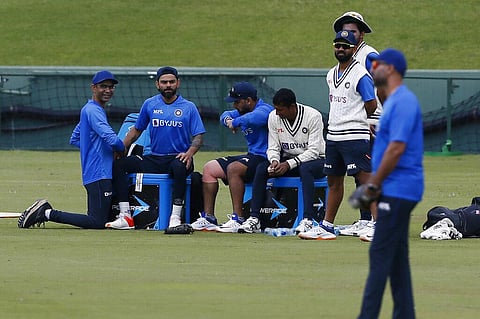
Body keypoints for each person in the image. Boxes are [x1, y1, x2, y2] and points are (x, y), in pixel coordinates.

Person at [354, 48, 424, 319]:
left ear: (391, 68)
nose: (373, 68)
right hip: (395, 188)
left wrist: (372, 186)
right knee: (396, 259)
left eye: (378, 64)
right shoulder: (393, 102)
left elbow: (396, 149)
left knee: (379, 255)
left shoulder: (403, 101)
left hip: (399, 189)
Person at [18, 71, 125, 229]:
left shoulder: (88, 109)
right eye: (103, 86)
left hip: (94, 172)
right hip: (100, 173)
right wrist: (120, 150)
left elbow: (74, 138)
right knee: (97, 222)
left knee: (101, 217)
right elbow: (112, 139)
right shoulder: (93, 111)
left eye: (111, 87)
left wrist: (96, 150)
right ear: (93, 88)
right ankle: (46, 213)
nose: (108, 90)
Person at [298, 30, 377, 240]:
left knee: (366, 180)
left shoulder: (361, 74)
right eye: (337, 45)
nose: (341, 49)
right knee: (334, 181)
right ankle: (326, 226)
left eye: (345, 46)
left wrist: (358, 120)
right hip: (333, 135)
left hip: (354, 135)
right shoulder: (330, 74)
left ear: (353, 49)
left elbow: (372, 104)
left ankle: (378, 225)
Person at [107, 66, 206, 230]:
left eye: (171, 82)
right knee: (119, 165)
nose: (168, 85)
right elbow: (136, 130)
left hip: (177, 157)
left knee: (179, 167)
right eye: (164, 82)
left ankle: (175, 217)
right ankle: (125, 216)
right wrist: (121, 148)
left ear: (178, 83)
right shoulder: (150, 104)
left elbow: (199, 136)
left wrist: (189, 153)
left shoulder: (189, 107)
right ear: (157, 84)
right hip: (155, 158)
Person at [238, 88, 326, 234]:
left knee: (306, 169)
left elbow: (313, 151)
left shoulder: (313, 116)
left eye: (281, 110)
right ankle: (254, 219)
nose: (278, 113)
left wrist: (288, 164)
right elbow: (273, 147)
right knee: (262, 168)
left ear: (292, 107)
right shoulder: (274, 117)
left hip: (316, 160)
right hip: (289, 159)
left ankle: (308, 220)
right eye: (276, 109)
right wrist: (274, 161)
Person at [190, 82, 274, 233]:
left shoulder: (265, 109)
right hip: (251, 155)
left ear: (248, 101)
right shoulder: (242, 111)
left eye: (236, 102)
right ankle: (209, 218)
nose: (234, 105)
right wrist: (230, 121)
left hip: (266, 157)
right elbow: (224, 115)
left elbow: (253, 119)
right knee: (210, 168)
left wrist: (234, 122)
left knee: (234, 168)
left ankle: (238, 218)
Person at [333, 11, 383, 238]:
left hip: (372, 122)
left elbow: (382, 86)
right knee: (358, 172)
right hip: (358, 122)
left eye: (353, 31)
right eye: (345, 31)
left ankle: (377, 221)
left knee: (367, 173)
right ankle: (365, 220)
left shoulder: (369, 55)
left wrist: (375, 119)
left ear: (361, 34)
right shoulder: (347, 57)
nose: (349, 34)